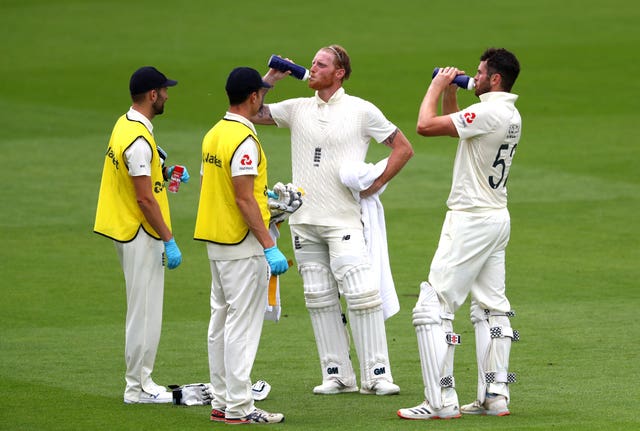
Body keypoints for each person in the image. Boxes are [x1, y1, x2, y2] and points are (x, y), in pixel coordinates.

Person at [252, 45, 414, 396]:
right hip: (303, 220)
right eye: (312, 63)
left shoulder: (361, 110)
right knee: (317, 295)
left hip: (343, 219)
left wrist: (377, 183)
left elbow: (403, 147)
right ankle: (337, 374)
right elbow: (250, 112)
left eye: (321, 64)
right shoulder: (297, 109)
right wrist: (271, 78)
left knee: (361, 293)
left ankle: (378, 374)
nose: (312, 68)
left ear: (339, 72)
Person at [397, 48, 522, 420]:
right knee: (491, 307)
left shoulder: (487, 112)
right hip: (497, 217)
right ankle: (495, 396)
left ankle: (440, 401)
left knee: (433, 307)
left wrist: (436, 86)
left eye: (481, 72)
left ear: (494, 79)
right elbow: (457, 125)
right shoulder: (509, 113)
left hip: (470, 220)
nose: (476, 76)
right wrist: (454, 88)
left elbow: (426, 125)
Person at [194, 67, 288, 424]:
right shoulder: (245, 141)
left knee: (220, 321)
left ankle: (222, 401)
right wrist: (269, 244)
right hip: (241, 243)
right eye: (261, 93)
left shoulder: (214, 133)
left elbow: (212, 187)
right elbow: (244, 199)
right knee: (242, 326)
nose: (264, 98)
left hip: (215, 240)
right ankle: (239, 407)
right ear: (252, 97)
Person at [94, 66, 189, 404]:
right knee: (145, 311)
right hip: (140, 231)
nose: (166, 96)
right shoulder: (138, 139)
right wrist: (169, 238)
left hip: (129, 228)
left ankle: (141, 382)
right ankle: (138, 386)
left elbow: (137, 174)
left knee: (144, 308)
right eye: (164, 91)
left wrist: (163, 171)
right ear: (152, 95)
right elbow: (144, 198)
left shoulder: (126, 124)